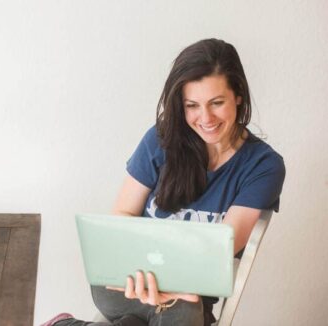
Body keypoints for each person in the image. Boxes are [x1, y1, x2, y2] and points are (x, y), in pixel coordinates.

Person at [41, 38, 286, 326]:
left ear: (238, 96)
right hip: (130, 282)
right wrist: (145, 282)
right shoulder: (161, 140)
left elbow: (220, 253)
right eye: (192, 105)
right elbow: (123, 215)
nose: (205, 117)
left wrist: (169, 292)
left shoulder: (262, 165)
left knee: (176, 312)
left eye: (217, 103)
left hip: (190, 293)